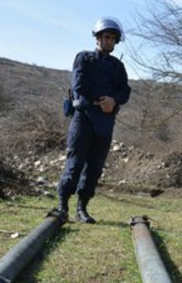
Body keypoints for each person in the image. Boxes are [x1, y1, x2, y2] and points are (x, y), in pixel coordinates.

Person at [57, 17, 132, 223]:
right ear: (98, 38)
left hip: (105, 122)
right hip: (84, 118)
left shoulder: (118, 66)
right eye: (106, 37)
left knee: (95, 168)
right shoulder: (84, 58)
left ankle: (82, 208)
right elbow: (79, 85)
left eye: (113, 39)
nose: (109, 41)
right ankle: (62, 205)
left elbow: (125, 91)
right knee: (75, 164)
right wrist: (103, 100)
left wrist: (114, 99)